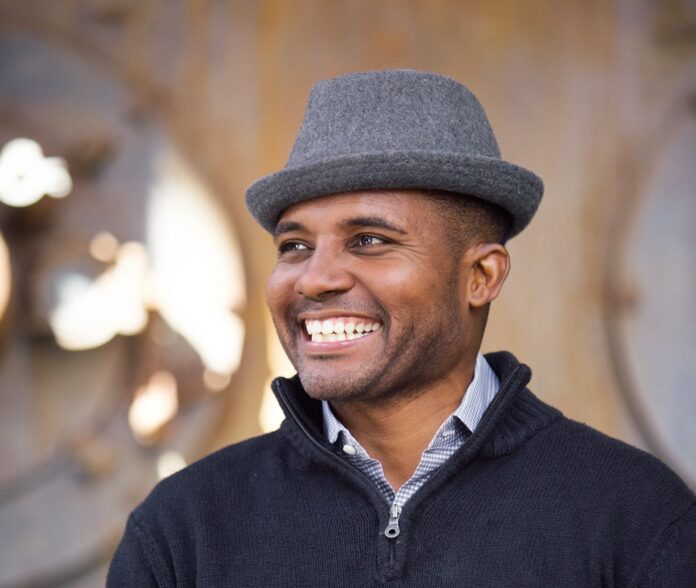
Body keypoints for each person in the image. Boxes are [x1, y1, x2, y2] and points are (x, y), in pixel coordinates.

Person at [107, 70, 696, 587]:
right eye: (294, 245)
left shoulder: (634, 514)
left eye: (369, 241)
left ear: (481, 276)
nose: (314, 279)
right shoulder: (184, 528)